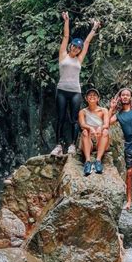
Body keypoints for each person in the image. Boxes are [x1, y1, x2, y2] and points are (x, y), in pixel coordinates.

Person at [50, 12, 100, 156]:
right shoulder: (63, 55)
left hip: (75, 92)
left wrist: (94, 28)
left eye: (78, 48)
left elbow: (87, 43)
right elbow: (65, 36)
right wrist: (66, 21)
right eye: (74, 46)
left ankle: (72, 144)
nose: (76, 49)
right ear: (71, 46)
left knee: (73, 119)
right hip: (62, 90)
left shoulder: (79, 59)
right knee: (60, 117)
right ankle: (58, 145)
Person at [78, 88, 110, 176]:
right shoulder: (83, 112)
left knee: (106, 131)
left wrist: (100, 127)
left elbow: (106, 124)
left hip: (100, 140)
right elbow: (82, 124)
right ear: (86, 98)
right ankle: (87, 161)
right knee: (84, 131)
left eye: (94, 95)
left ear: (98, 98)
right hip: (89, 141)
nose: (92, 97)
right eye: (90, 95)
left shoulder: (104, 110)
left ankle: (98, 161)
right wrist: (91, 128)